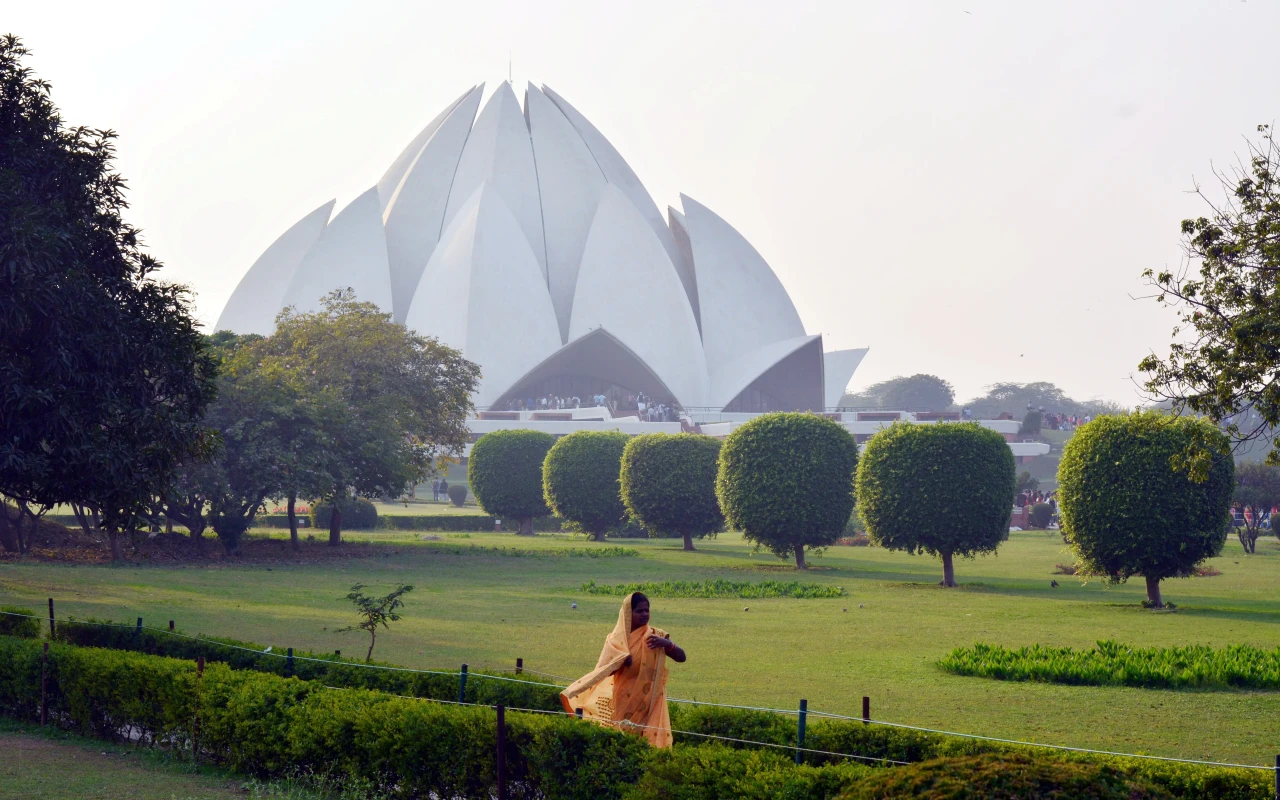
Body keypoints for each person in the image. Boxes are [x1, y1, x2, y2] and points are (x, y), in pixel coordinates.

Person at [561, 592, 685, 748]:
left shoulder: (656, 636)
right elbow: (603, 671)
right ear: (628, 613)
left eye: (647, 610)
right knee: (624, 738)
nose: (645, 614)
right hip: (624, 699)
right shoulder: (615, 642)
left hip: (652, 700)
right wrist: (619, 661)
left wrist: (667, 644)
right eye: (639, 611)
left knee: (649, 743)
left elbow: (682, 657)